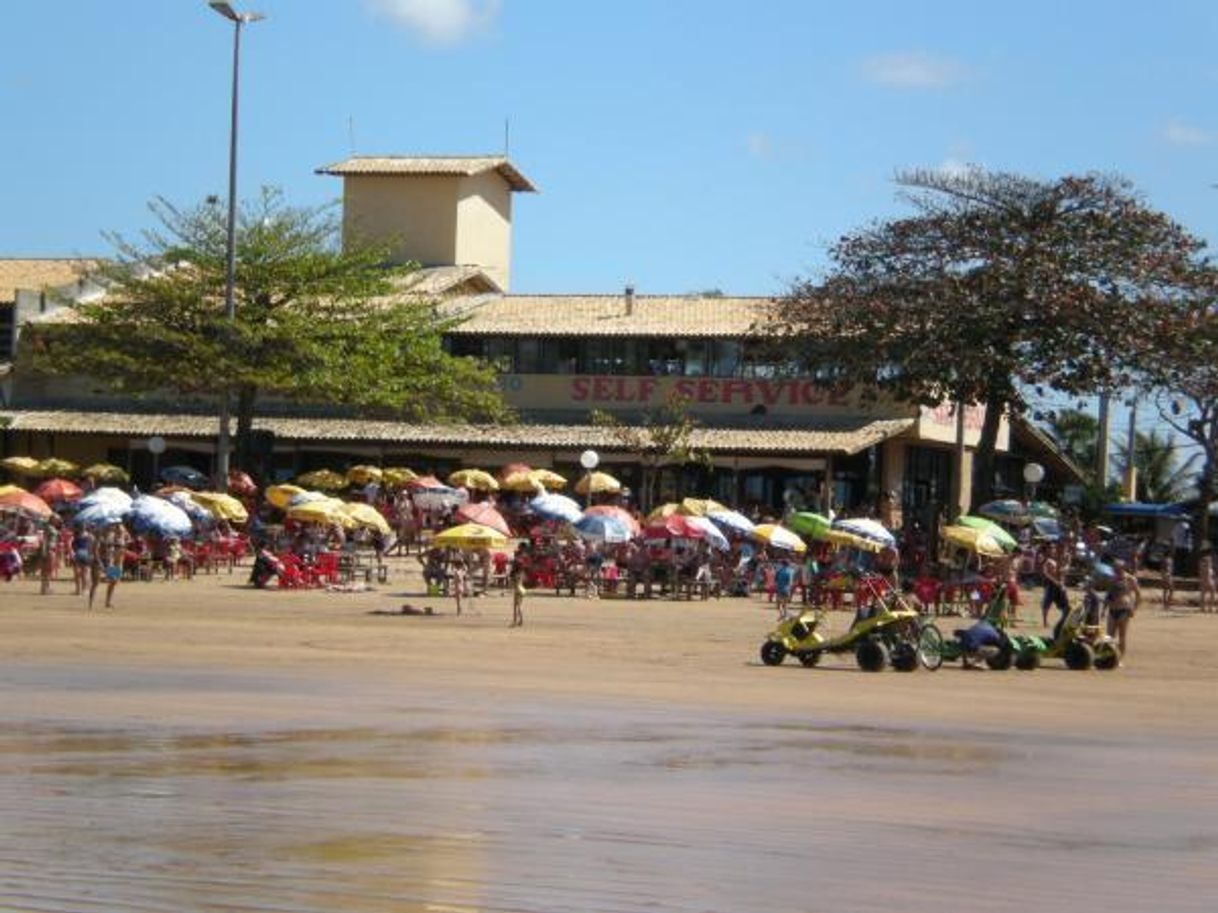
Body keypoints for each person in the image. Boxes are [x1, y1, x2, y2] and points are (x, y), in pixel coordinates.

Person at [1106, 558, 1141, 658]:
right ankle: (1110, 657)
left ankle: (1120, 658)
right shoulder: (1112, 578)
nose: (1114, 570)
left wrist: (1134, 609)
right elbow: (1109, 594)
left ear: (1122, 568)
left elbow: (1138, 595)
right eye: (1113, 568)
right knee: (1109, 636)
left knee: (1122, 636)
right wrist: (1104, 609)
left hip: (1124, 609)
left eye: (1116, 568)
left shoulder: (1130, 579)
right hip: (1112, 609)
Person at [1040, 542, 1069, 627]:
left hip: (1059, 584)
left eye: (1053, 548)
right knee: (1047, 604)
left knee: (1065, 605)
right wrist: (1056, 581)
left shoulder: (1057, 558)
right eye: (1051, 548)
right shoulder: (1046, 559)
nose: (1053, 549)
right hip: (1052, 585)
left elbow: (1062, 571)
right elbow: (1046, 573)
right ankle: (1045, 622)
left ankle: (1064, 621)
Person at [1198, 548, 1216, 614]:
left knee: (1203, 594)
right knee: (1212, 593)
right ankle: (1210, 608)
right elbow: (1208, 570)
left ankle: (1203, 608)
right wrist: (1209, 579)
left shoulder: (1201, 561)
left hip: (1203, 579)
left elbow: (1201, 571)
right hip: (1208, 578)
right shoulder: (1208, 559)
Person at [509, 562, 526, 627]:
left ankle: (515, 621)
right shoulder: (522, 573)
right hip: (522, 589)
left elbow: (512, 583)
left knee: (516, 607)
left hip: (517, 590)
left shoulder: (515, 574)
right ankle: (520, 620)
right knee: (518, 606)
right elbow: (523, 580)